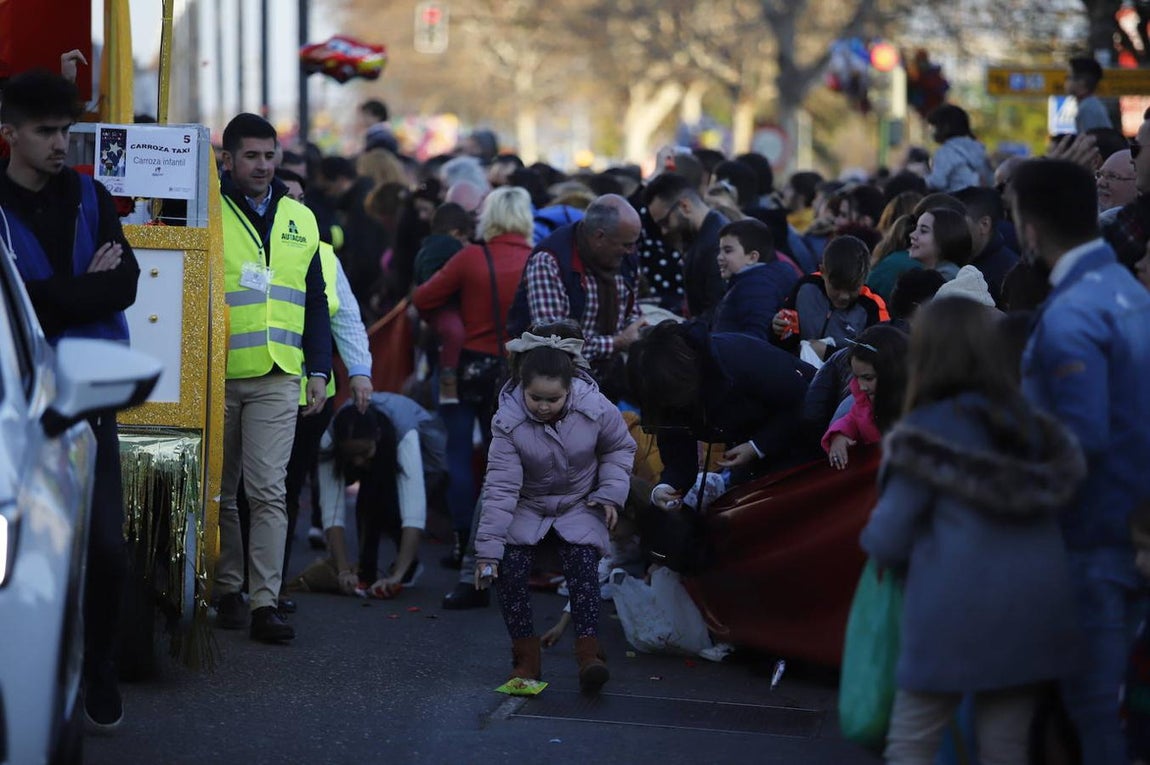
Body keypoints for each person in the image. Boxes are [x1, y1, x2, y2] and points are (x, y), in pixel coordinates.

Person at [861, 296, 1085, 764]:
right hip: (1036, 607)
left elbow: (887, 537)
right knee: (1005, 746)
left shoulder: (924, 433)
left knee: (911, 741)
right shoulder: (1035, 430)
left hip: (952, 611)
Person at [0, 68, 140, 730]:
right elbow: (18, 306)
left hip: (89, 392)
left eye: (67, 130)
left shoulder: (92, 194)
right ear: (10, 135)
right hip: (15, 398)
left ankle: (101, 668)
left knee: (108, 548)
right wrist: (78, 287)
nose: (61, 144)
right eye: (47, 132)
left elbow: (125, 286)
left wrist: (50, 293)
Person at [1014, 158, 1150, 764]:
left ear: (1029, 228)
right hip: (1127, 533)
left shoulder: (1073, 312)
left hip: (1091, 542)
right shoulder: (1126, 290)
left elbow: (1079, 440)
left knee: (1094, 715)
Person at [213, 113, 331, 643]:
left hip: (280, 373)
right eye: (251, 156)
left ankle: (264, 602)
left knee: (268, 492)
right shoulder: (205, 212)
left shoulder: (300, 217)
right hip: (215, 370)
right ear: (229, 160)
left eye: (269, 155)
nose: (262, 165)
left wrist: (320, 371)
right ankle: (228, 588)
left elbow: (316, 301)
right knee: (219, 493)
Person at [474, 324, 636, 692]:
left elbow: (619, 448)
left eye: (553, 399)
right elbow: (500, 489)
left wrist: (610, 494)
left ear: (570, 390)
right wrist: (487, 554)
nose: (544, 406)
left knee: (582, 564)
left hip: (580, 502)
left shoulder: (595, 407)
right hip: (527, 505)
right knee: (510, 570)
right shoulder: (508, 422)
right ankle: (525, 658)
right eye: (536, 398)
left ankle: (589, 653)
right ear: (521, 386)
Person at [412, 187, 535, 594]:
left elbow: (423, 296)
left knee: (459, 453)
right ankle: (497, 547)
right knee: (503, 462)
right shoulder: (536, 261)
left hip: (462, 366)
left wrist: (451, 321)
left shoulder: (471, 257)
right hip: (514, 370)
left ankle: (462, 539)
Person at [630, 319, 813, 509]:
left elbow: (803, 400)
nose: (671, 406)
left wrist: (757, 446)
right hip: (754, 453)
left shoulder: (738, 358)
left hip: (810, 435)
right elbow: (678, 455)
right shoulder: (663, 393)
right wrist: (665, 487)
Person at [512, 193, 646, 399]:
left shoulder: (626, 258)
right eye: (626, 244)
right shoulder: (549, 261)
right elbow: (555, 341)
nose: (632, 251)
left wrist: (641, 330)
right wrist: (617, 343)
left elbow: (631, 312)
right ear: (599, 236)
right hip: (552, 391)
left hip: (606, 380)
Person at [316, 392, 445, 598]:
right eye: (351, 456)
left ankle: (407, 565)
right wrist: (342, 570)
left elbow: (414, 512)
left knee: (390, 503)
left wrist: (397, 577)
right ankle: (367, 570)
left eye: (363, 453)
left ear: (377, 436)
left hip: (424, 452)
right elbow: (331, 509)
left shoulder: (404, 434)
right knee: (368, 497)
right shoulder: (330, 439)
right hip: (376, 446)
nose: (357, 462)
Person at [771, 235, 889, 362]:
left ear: (864, 279)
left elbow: (880, 359)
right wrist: (777, 329)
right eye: (836, 287)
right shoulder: (806, 287)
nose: (844, 296)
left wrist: (827, 353)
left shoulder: (873, 306)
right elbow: (784, 344)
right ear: (822, 271)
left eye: (853, 288)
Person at [411, 201, 474, 404]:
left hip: (431, 311)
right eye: (465, 238)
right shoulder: (451, 246)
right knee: (455, 334)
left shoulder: (423, 248)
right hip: (445, 306)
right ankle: (449, 381)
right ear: (457, 233)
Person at [821, 324, 908, 470]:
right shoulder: (865, 399)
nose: (861, 386)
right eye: (857, 377)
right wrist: (839, 436)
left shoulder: (917, 408)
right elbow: (854, 418)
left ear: (893, 373)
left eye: (868, 378)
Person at [644, 172, 728, 322]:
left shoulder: (717, 244)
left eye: (665, 222)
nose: (664, 231)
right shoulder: (704, 236)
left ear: (684, 206)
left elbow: (716, 312)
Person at [710, 218, 798, 340]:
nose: (719, 257)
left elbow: (755, 340)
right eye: (720, 250)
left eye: (728, 251)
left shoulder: (756, 286)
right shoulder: (754, 280)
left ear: (752, 257)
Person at [952, 186, 1018, 306]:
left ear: (984, 224)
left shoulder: (1008, 274)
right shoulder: (955, 260)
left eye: (958, 222)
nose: (950, 230)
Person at [925, 104, 990, 192]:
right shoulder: (978, 147)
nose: (932, 132)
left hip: (958, 200)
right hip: (981, 199)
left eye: (934, 127)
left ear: (945, 127)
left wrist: (920, 179)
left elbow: (938, 182)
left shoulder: (946, 152)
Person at [908, 207, 972, 282]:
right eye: (916, 228)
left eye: (923, 231)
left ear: (945, 238)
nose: (912, 235)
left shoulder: (947, 277)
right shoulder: (935, 274)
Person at [1067, 56, 1113, 133]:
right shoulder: (1090, 104)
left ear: (1082, 81)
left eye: (1068, 77)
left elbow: (1090, 142)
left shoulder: (1088, 109)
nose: (1066, 82)